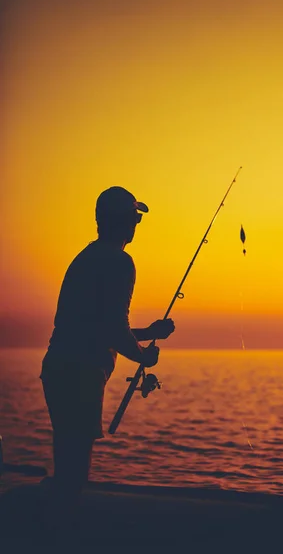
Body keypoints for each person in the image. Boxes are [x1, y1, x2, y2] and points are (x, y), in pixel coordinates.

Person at [40, 186, 175, 526]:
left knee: (66, 462)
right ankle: (57, 535)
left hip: (58, 368)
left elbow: (97, 323)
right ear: (124, 221)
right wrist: (143, 357)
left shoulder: (87, 257)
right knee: (75, 472)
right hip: (81, 374)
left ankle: (53, 526)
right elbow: (114, 328)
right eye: (135, 217)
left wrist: (147, 332)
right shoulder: (120, 262)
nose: (137, 224)